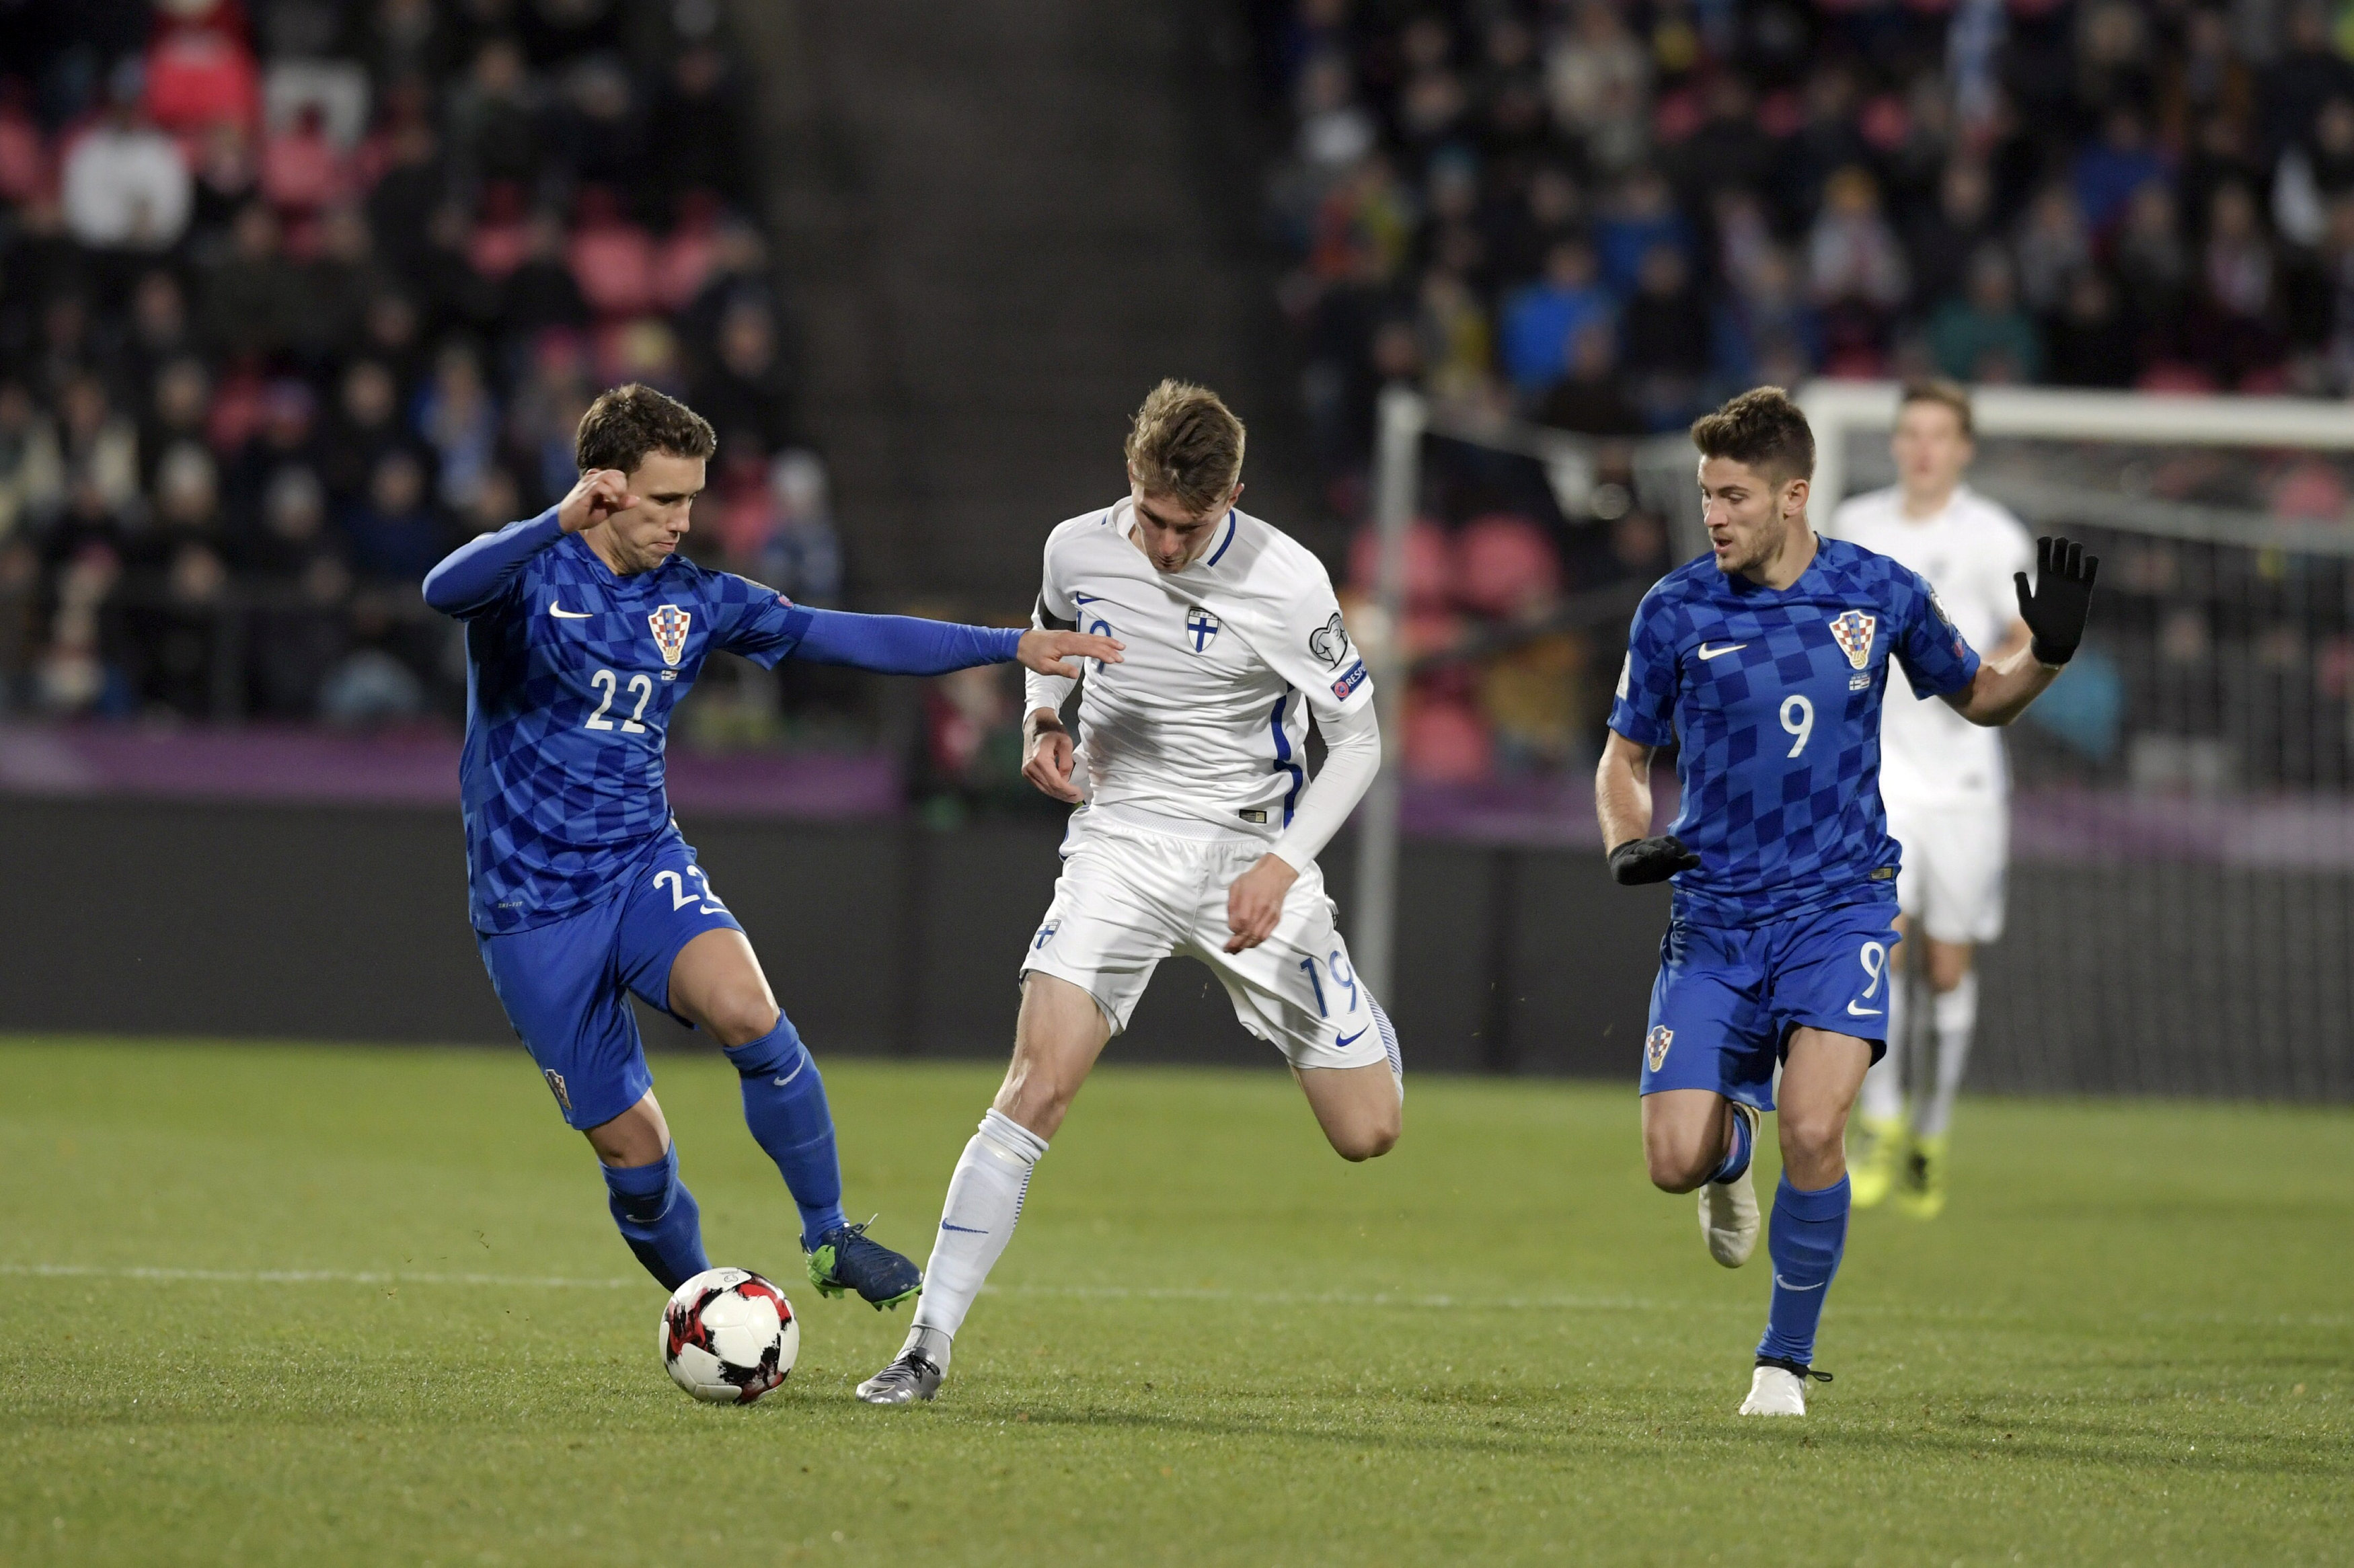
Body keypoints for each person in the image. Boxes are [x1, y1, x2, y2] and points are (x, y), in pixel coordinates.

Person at [421, 383, 1118, 1309]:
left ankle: (830, 1239)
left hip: (638, 865)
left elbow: (842, 636)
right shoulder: (529, 578)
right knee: (634, 1153)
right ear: (605, 487)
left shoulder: (697, 600)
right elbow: (442, 589)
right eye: (664, 500)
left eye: (692, 499)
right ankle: (708, 1303)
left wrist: (1004, 644)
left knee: (749, 1011)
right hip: (529, 907)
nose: (683, 520)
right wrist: (554, 520)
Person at [856, 380, 1402, 1405]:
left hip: (1250, 852)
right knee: (1035, 1087)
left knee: (1368, 1131)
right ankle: (925, 1348)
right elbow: (1049, 632)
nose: (1160, 545)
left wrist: (1284, 866)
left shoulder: (1289, 581)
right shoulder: (1077, 547)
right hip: (1120, 839)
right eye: (1149, 517)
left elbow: (1360, 740)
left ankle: (1354, 1013)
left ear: (1234, 494)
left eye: (1186, 527)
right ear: (1130, 481)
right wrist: (1041, 722)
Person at [1595, 386, 2094, 1416]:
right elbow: (1624, 756)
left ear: (1794, 495)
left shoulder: (1880, 593)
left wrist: (2045, 654)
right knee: (1670, 1162)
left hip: (1841, 908)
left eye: (1733, 496)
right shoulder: (1675, 609)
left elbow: (1982, 699)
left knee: (1819, 1134)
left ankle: (1781, 1365)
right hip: (1717, 918)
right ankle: (1732, 1146)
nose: (1715, 516)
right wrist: (1624, 840)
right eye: (1706, 497)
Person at [1827, 381, 2035, 1217]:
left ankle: (1932, 1130)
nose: (1921, 448)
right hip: (1878, 780)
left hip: (1965, 781)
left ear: (1963, 447)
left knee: (1947, 970)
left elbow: (2029, 632)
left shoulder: (1990, 534)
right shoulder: (1855, 524)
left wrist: (1974, 662)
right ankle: (1877, 1120)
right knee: (1882, 949)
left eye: (1937, 435)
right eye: (1908, 432)